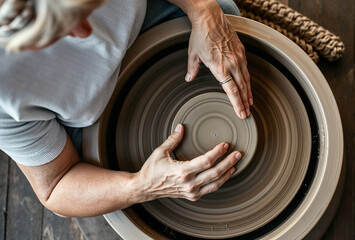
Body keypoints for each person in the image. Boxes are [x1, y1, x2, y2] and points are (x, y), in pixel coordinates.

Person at [0, 0, 252, 217]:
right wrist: (143, 185)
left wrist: (202, 10)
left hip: (148, 14)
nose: (86, 32)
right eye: (51, 35)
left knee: (233, 28)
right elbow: (55, 187)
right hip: (100, 117)